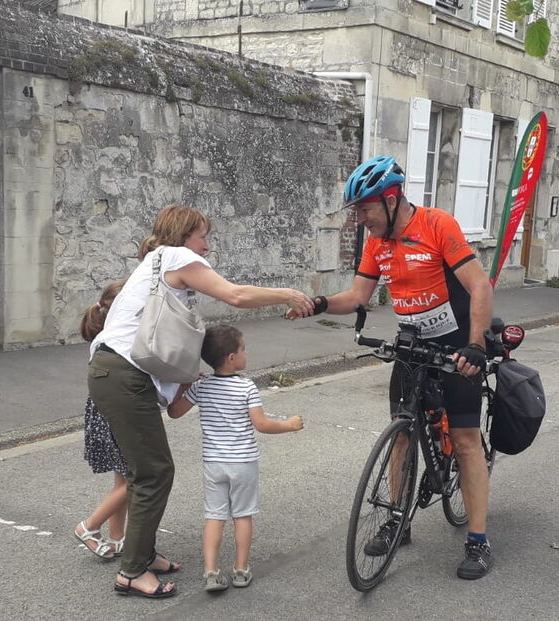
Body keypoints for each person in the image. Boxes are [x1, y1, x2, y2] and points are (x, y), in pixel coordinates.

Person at [88, 205, 314, 599]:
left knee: (150, 471)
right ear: (184, 235)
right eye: (203, 236)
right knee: (153, 473)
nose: (207, 245)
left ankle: (145, 552)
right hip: (123, 375)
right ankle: (132, 573)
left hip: (115, 372)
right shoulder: (178, 256)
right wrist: (287, 294)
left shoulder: (157, 260)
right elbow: (236, 295)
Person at [288, 155, 495, 580]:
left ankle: (478, 539)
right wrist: (319, 304)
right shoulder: (376, 245)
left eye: (364, 209)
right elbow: (358, 297)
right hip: (412, 347)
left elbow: (478, 285)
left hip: (457, 347)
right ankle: (397, 520)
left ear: (390, 199)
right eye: (357, 211)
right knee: (402, 433)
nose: (360, 219)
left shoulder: (438, 225)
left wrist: (475, 346)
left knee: (466, 439)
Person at [167, 325, 304, 592]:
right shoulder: (246, 387)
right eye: (243, 348)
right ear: (231, 357)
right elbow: (261, 424)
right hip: (242, 462)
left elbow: (174, 412)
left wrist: (186, 383)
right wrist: (289, 424)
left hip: (214, 463)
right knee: (242, 515)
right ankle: (241, 570)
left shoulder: (201, 386)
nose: (246, 353)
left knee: (214, 516)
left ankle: (210, 571)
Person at [73, 280, 130, 560]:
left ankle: (117, 538)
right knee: (137, 478)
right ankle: (89, 527)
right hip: (115, 411)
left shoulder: (107, 338)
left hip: (103, 409)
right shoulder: (115, 340)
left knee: (123, 479)